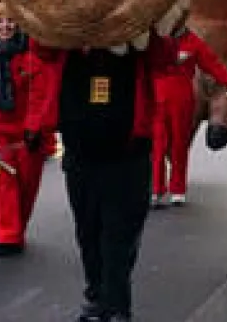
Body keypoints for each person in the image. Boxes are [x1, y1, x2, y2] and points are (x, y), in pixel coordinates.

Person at [31, 32, 176, 322]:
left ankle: (117, 304)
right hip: (80, 153)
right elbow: (40, 46)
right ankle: (97, 294)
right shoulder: (66, 36)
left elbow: (165, 57)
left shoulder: (138, 35)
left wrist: (147, 25)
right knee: (88, 232)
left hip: (127, 155)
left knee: (119, 234)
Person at [0, 4, 54, 256]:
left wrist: (33, 127)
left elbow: (39, 93)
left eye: (10, 21)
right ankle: (8, 236)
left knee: (27, 186)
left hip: (28, 133)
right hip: (0, 133)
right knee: (4, 186)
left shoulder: (30, 51)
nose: (5, 26)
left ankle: (18, 228)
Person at [151, 23, 227, 208]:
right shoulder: (157, 39)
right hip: (158, 96)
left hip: (182, 96)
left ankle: (177, 189)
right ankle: (156, 188)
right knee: (158, 145)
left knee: (179, 143)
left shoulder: (193, 42)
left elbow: (213, 66)